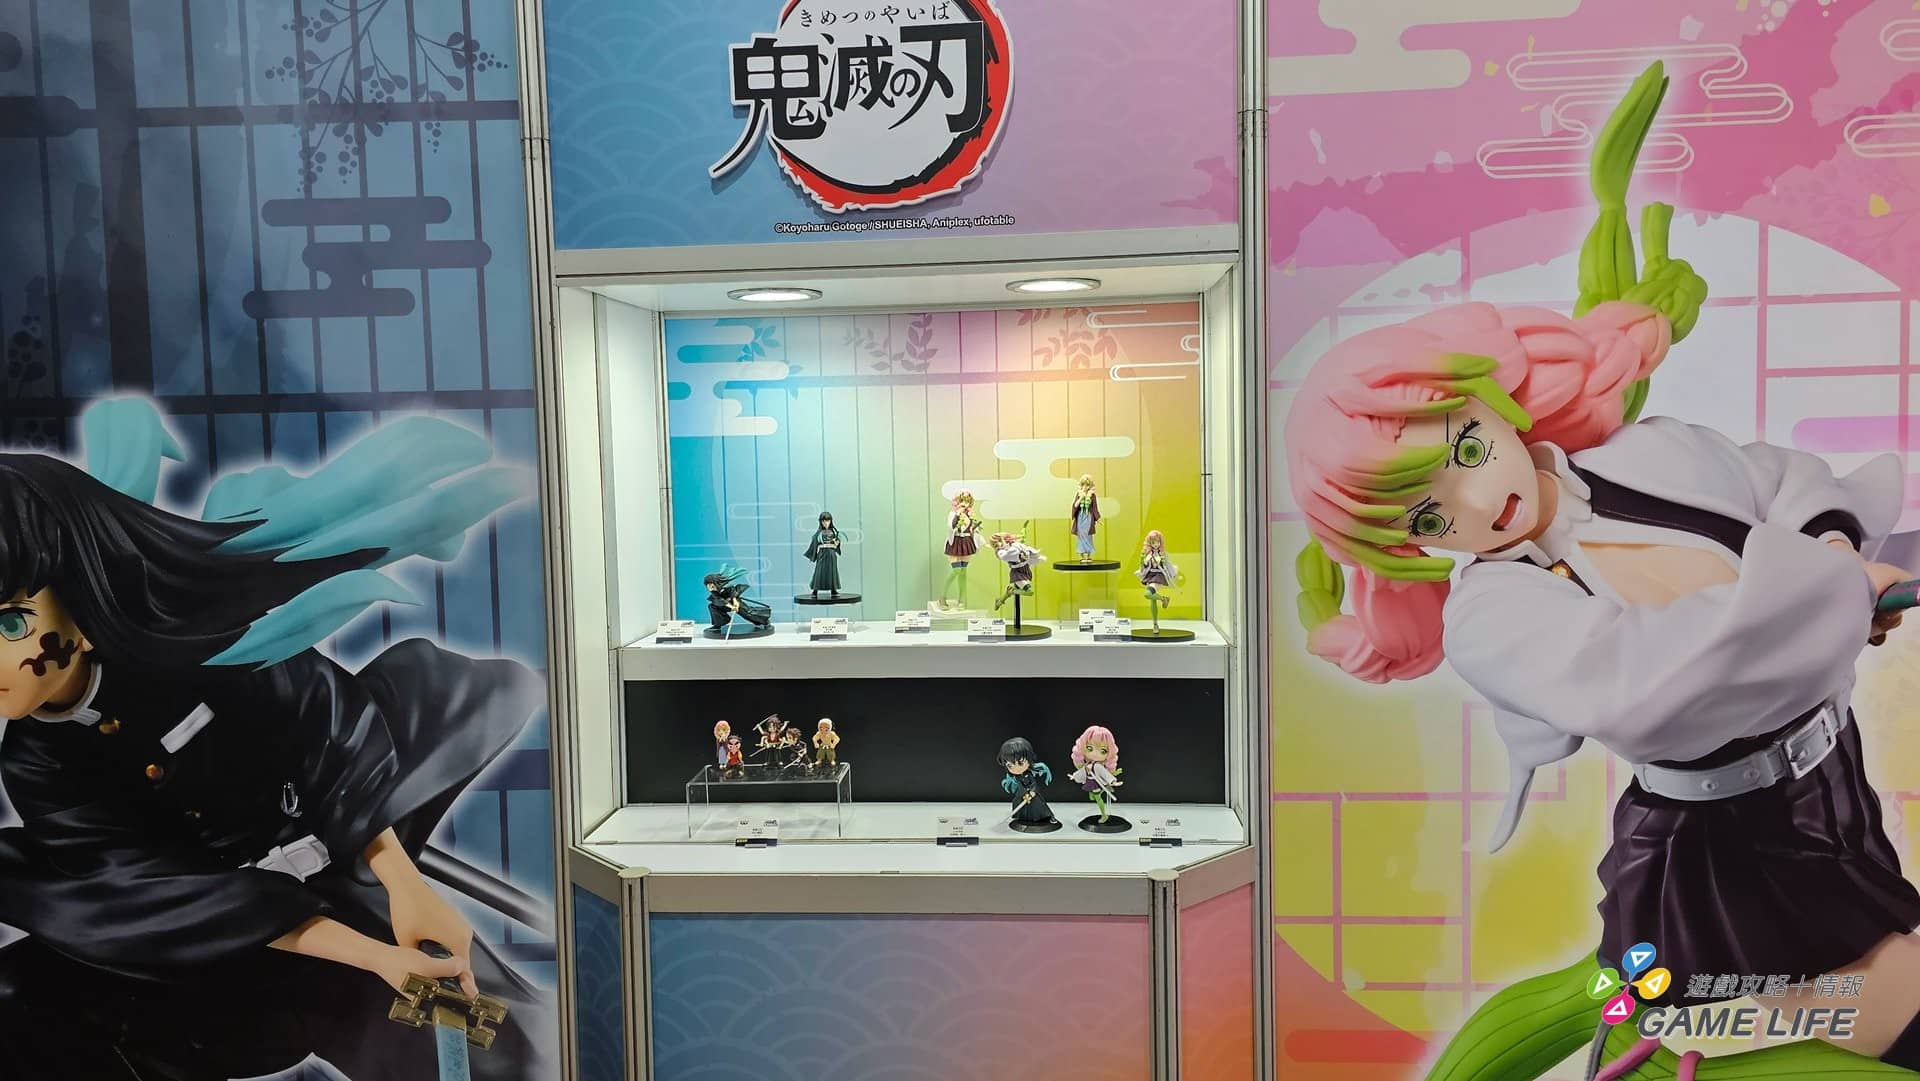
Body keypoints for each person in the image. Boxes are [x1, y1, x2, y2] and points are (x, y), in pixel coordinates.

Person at [0, 398, 554, 1081]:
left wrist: (403, 886)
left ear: (81, 608)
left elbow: (329, 740)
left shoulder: (199, 653)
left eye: (10, 624)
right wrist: (374, 957)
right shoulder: (36, 765)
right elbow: (161, 896)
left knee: (494, 1044)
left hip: (350, 876)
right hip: (237, 954)